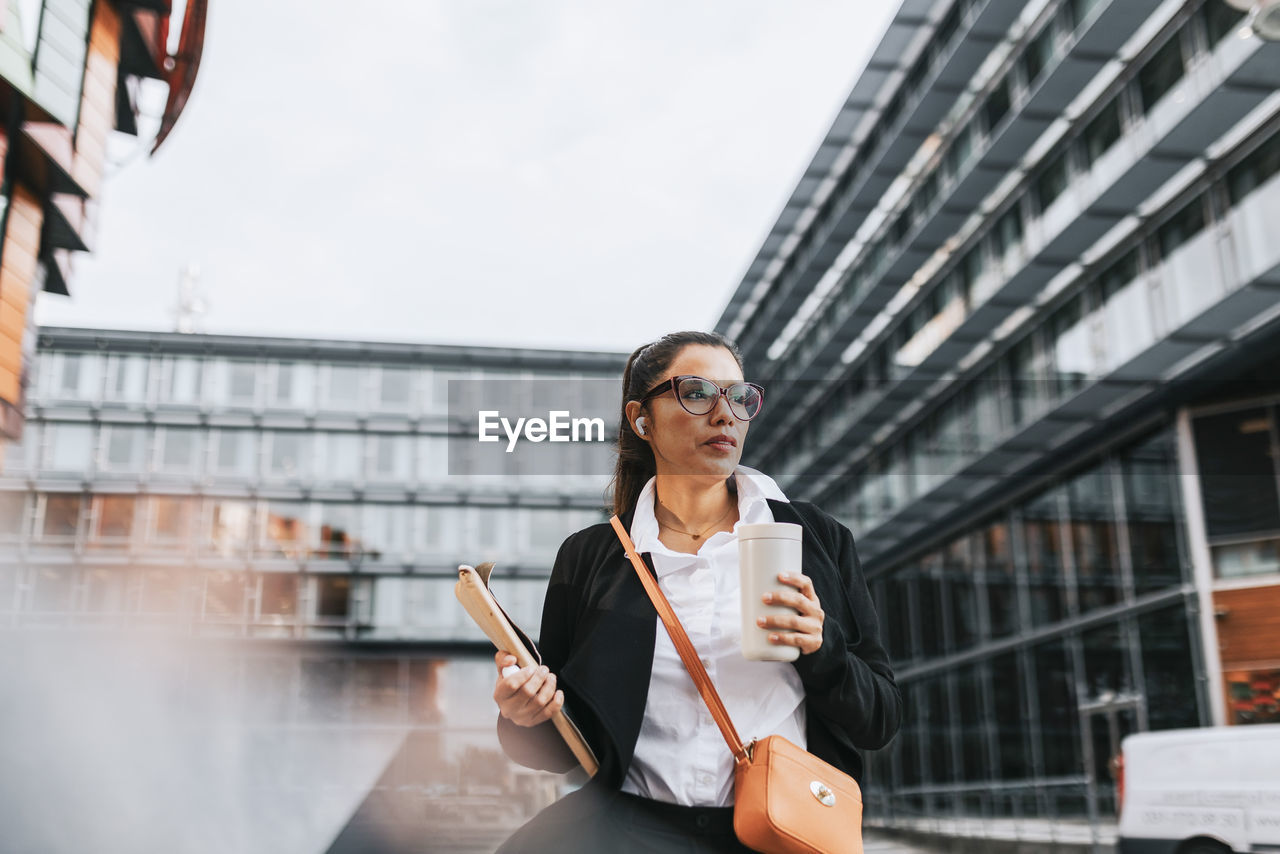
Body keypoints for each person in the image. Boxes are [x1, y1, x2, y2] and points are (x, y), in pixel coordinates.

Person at [491, 330, 902, 853]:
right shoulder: (591, 557)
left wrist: (824, 651)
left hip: (775, 831)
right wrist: (523, 714)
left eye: (739, 397)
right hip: (633, 834)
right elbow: (563, 745)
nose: (725, 413)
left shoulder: (817, 540)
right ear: (643, 419)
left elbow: (880, 719)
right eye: (699, 393)